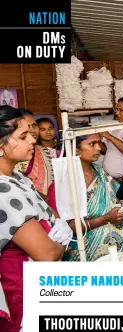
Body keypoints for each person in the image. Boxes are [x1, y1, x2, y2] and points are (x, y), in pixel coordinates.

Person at [0, 106, 71, 332]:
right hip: (23, 293)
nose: (32, 140)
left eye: (31, 133)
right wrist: (62, 242)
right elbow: (47, 254)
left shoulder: (19, 178)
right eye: (22, 136)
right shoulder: (3, 190)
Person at [48, 125, 123, 261]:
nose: (99, 148)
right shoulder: (66, 180)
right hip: (86, 252)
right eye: (92, 144)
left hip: (117, 245)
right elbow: (69, 227)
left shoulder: (99, 171)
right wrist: (106, 218)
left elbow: (110, 199)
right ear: (75, 149)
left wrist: (122, 205)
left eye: (99, 142)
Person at [15, 110, 59, 198]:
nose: (32, 130)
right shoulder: (13, 156)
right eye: (27, 126)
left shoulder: (49, 152)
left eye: (34, 125)